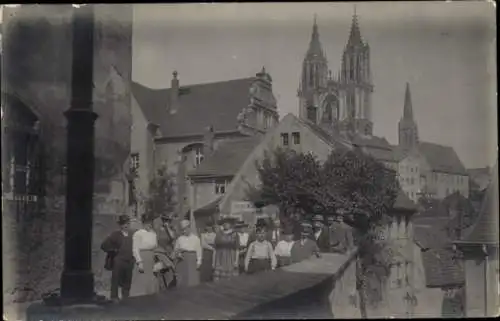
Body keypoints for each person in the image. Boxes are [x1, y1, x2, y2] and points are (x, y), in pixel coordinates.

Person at [100, 215, 134, 302]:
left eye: (127, 223)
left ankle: (126, 299)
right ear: (120, 225)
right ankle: (114, 298)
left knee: (127, 280)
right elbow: (104, 245)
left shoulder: (132, 234)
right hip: (118, 260)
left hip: (129, 260)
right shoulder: (115, 234)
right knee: (116, 280)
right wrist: (113, 250)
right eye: (123, 224)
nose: (125, 226)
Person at [130, 214, 159, 297]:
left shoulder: (153, 234)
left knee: (151, 280)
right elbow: (135, 249)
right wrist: (139, 262)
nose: (149, 225)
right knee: (141, 281)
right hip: (142, 258)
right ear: (143, 223)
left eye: (150, 223)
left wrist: (157, 261)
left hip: (151, 259)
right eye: (147, 223)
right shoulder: (138, 234)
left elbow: (156, 248)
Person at [173, 220, 202, 287]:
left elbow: (199, 250)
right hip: (182, 260)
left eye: (185, 229)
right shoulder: (180, 238)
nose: (184, 231)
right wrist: (178, 254)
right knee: (182, 279)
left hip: (192, 260)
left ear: (189, 228)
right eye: (182, 230)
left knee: (191, 279)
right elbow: (176, 249)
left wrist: (199, 262)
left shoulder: (196, 238)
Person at [152, 214, 177, 290]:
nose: (165, 222)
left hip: (169, 253)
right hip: (160, 253)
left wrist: (168, 228)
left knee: (169, 274)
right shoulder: (158, 229)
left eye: (167, 220)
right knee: (161, 274)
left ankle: (168, 289)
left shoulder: (171, 229)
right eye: (164, 220)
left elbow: (173, 237)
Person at [213, 217, 240, 281]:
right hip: (220, 258)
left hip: (230, 257)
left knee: (230, 279)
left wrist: (236, 261)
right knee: (219, 279)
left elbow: (237, 249)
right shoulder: (219, 234)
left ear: (230, 224)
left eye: (227, 223)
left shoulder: (235, 234)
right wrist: (213, 262)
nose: (225, 224)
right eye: (224, 223)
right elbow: (215, 249)